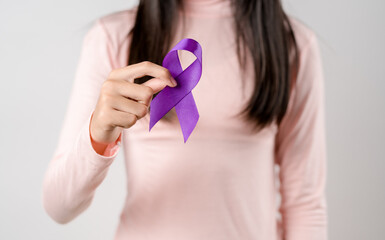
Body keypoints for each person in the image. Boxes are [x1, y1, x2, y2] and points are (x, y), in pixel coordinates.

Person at [41, 0, 328, 239]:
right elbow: (59, 207)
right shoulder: (114, 36)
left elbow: (305, 205)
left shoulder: (293, 45)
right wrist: (98, 132)